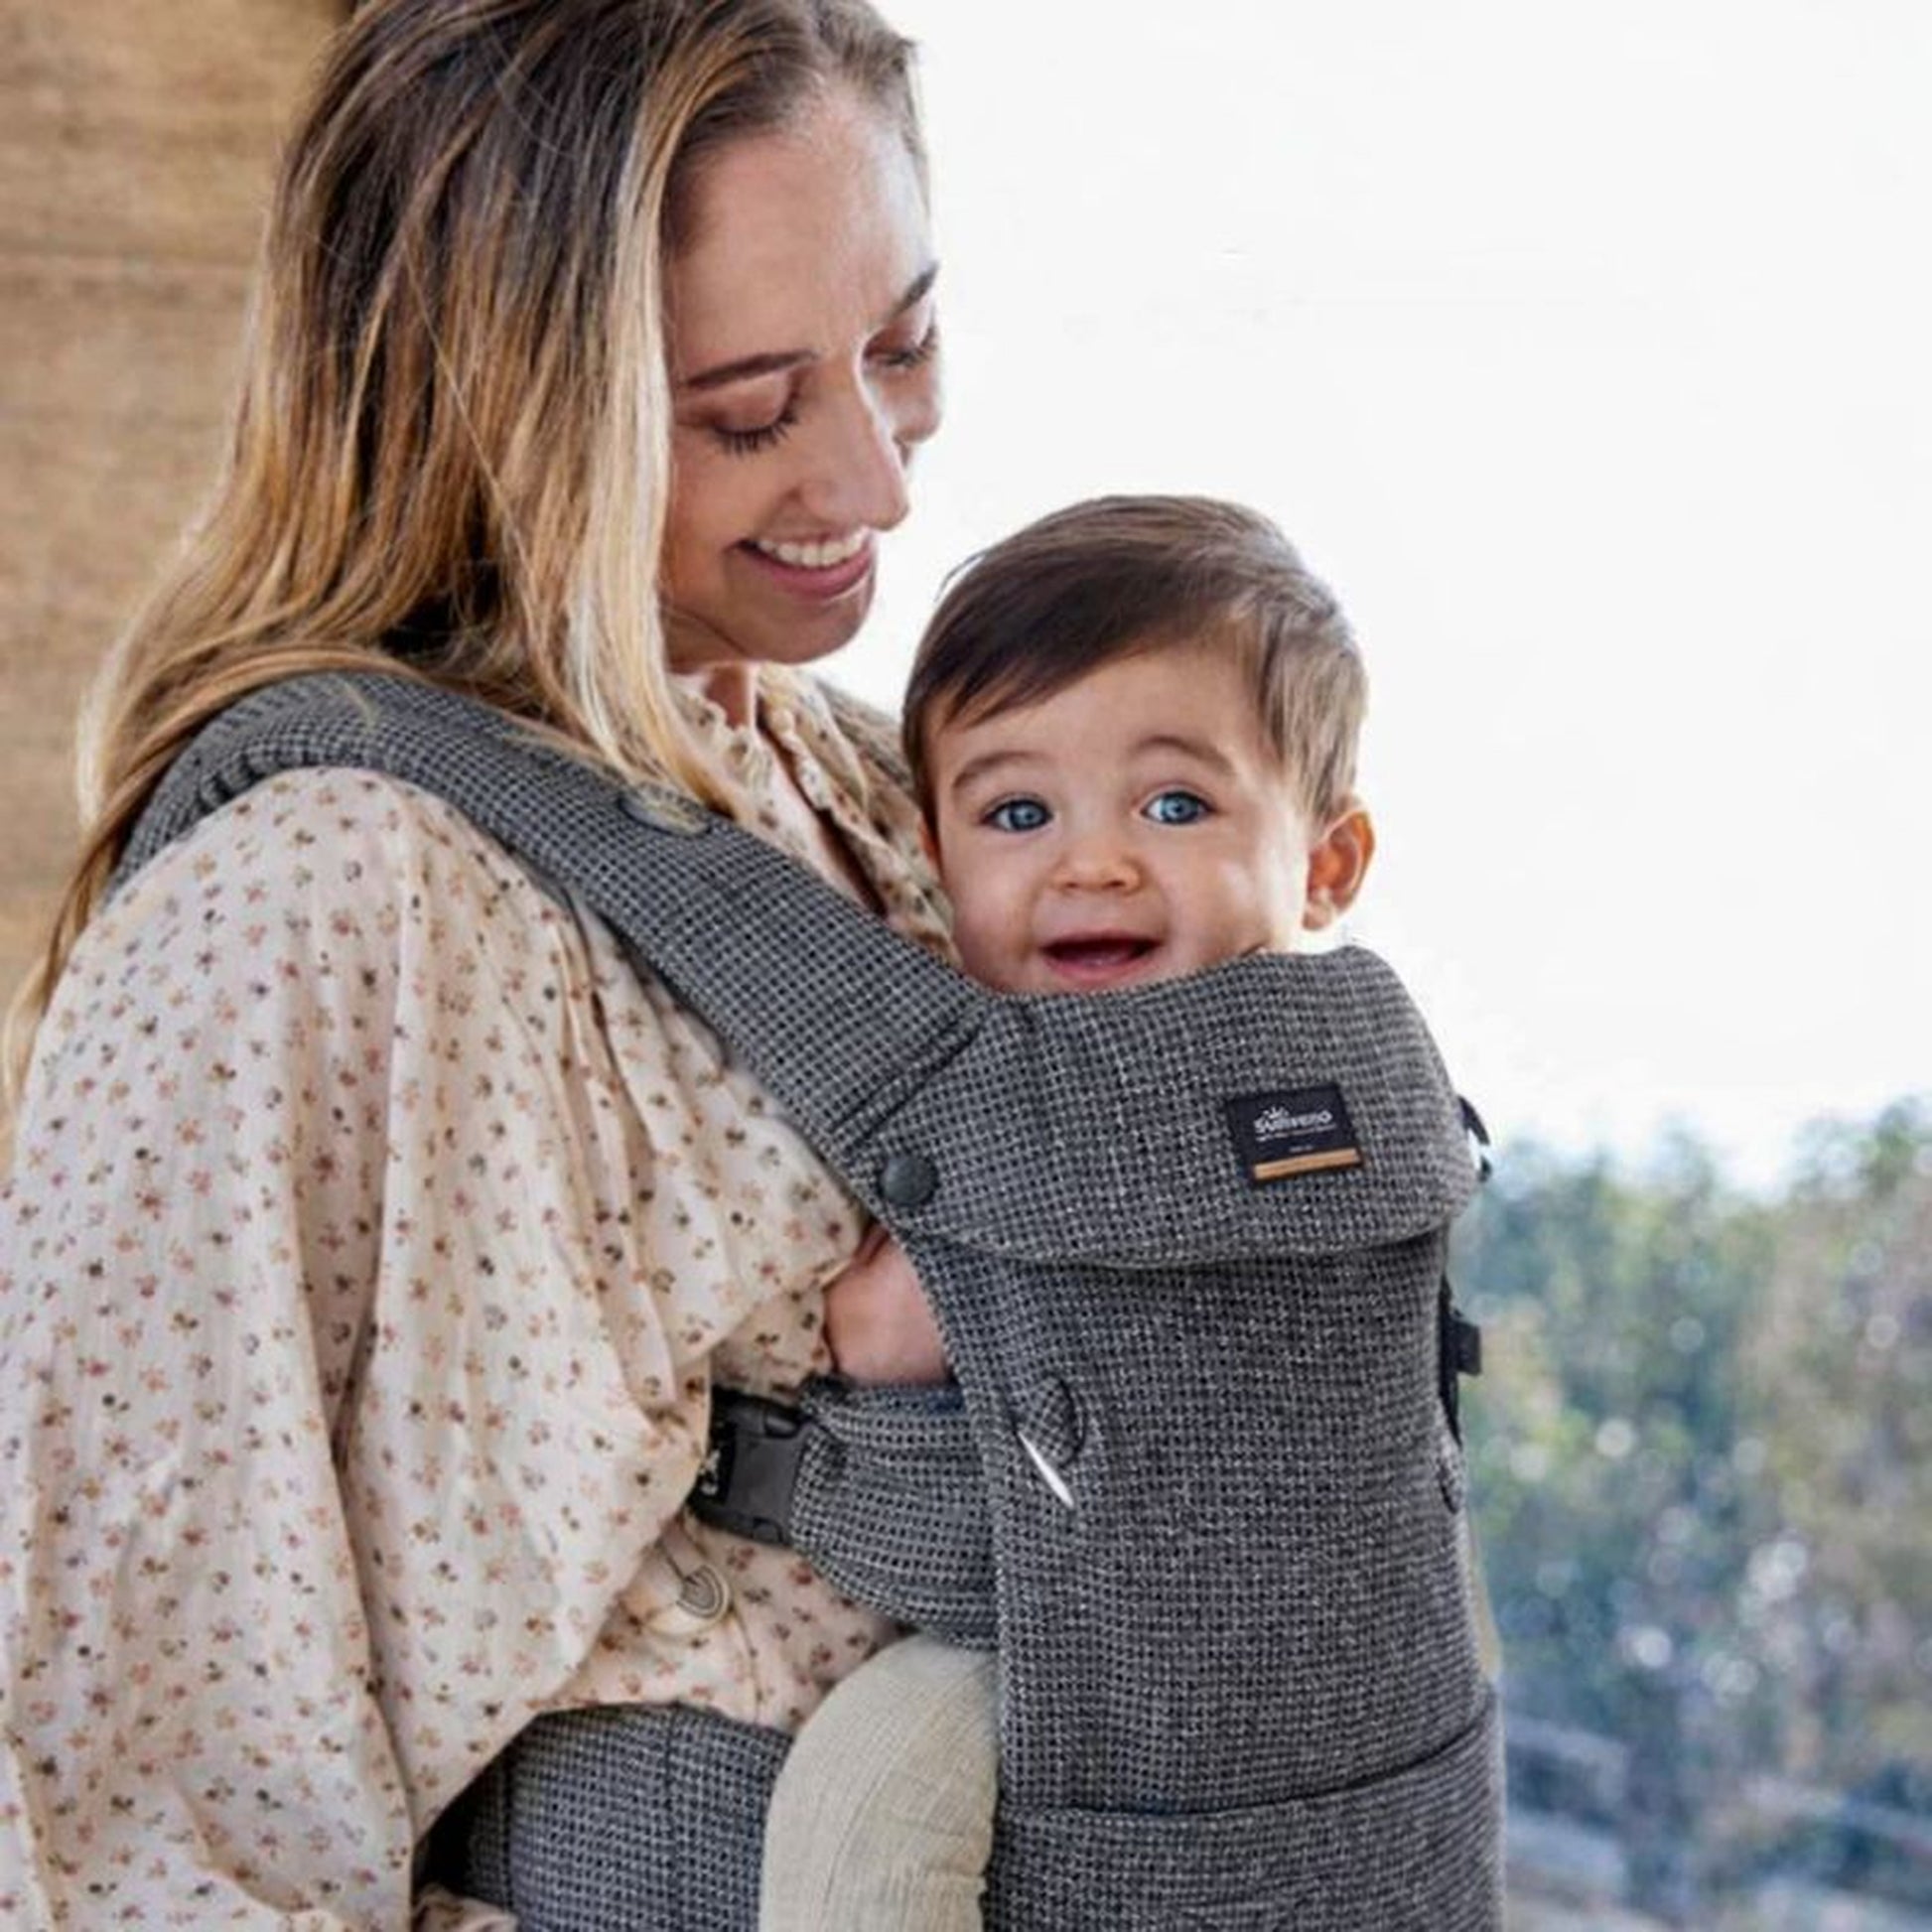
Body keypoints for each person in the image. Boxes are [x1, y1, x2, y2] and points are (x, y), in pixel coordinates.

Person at [0, 1, 972, 1924]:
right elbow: (127, 1818)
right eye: (747, 412)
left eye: (904, 344)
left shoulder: (891, 795)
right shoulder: (300, 909)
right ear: (496, 412)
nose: (876, 485)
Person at [759, 493, 1383, 1931]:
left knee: (863, 1809)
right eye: (1017, 814)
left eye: (1174, 806)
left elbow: (877, 1337)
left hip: (1096, 1637)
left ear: (1325, 864)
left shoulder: (1127, 1088)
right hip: (1307, 1644)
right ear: (930, 860)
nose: (1090, 863)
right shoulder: (1342, 1080)